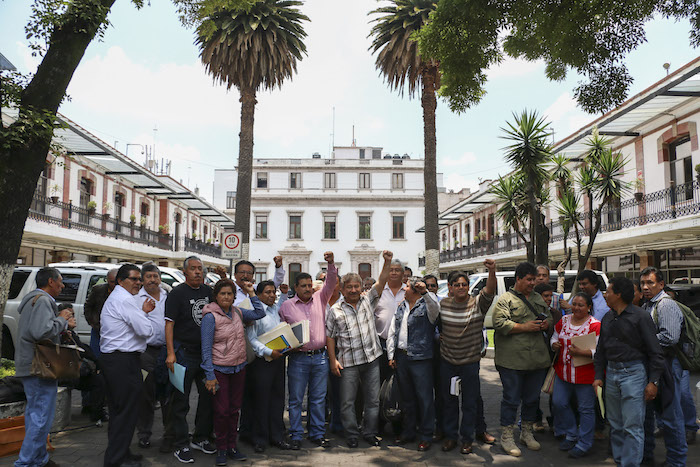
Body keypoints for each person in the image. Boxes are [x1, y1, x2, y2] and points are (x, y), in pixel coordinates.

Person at [594, 276, 664, 467]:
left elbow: (655, 352)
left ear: (618, 295)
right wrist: (598, 377)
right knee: (616, 425)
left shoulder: (640, 317)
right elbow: (601, 350)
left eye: (608, 291)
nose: (604, 295)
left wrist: (653, 382)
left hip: (634, 374)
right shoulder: (608, 317)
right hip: (612, 373)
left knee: (632, 427)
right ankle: (619, 461)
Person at [326, 251, 393, 448]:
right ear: (343, 289)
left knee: (372, 401)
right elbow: (330, 336)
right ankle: (352, 434)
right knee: (347, 402)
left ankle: (370, 432)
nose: (354, 290)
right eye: (349, 287)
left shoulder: (368, 300)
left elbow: (381, 281)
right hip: (348, 362)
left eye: (356, 286)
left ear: (361, 287)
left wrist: (387, 261)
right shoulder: (335, 310)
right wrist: (332, 360)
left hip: (372, 359)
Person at [14, 267, 76, 467]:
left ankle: (39, 460)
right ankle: (24, 463)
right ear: (51, 281)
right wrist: (62, 319)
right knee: (40, 418)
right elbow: (42, 333)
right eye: (60, 281)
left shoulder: (34, 300)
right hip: (39, 366)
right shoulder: (42, 301)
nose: (63, 285)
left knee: (36, 416)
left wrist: (61, 325)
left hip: (32, 365)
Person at [202, 278, 265, 465]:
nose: (226, 297)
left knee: (234, 410)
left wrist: (252, 292)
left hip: (239, 368)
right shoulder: (210, 317)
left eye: (230, 294)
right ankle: (221, 448)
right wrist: (209, 376)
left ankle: (232, 446)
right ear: (216, 296)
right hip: (219, 369)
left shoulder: (237, 312)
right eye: (223, 293)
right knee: (221, 411)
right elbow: (205, 349)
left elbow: (259, 313)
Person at [492, 261, 552, 457]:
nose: (533, 283)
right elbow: (499, 323)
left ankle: (527, 432)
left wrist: (545, 325)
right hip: (512, 361)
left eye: (534, 279)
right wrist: (524, 327)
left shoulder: (537, 298)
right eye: (529, 279)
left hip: (537, 360)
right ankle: (507, 436)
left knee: (532, 399)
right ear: (518, 279)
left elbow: (550, 318)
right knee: (511, 399)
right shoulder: (505, 299)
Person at [279, 252, 337, 450]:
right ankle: (296, 435)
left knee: (318, 398)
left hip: (320, 357)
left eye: (309, 285)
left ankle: (317, 434)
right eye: (302, 286)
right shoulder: (286, 307)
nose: (307, 289)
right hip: (298, 359)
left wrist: (330, 264)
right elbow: (281, 335)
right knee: (295, 399)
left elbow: (330, 282)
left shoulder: (320, 299)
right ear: (295, 288)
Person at [100, 264, 156, 467]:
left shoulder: (122, 299)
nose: (138, 283)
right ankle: (116, 460)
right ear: (121, 280)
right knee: (124, 411)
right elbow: (145, 331)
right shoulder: (124, 300)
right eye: (134, 279)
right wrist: (145, 314)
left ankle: (121, 452)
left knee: (121, 411)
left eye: (139, 279)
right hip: (122, 361)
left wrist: (141, 313)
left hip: (119, 360)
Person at [439, 260, 496, 455]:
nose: (461, 287)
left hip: (470, 364)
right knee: (449, 402)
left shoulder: (477, 304)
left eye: (464, 284)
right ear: (450, 288)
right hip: (447, 363)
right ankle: (450, 437)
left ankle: (467, 440)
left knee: (470, 403)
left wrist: (492, 271)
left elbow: (489, 291)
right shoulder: (443, 304)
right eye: (457, 285)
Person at [164, 256, 217, 463]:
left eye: (200, 269)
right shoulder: (177, 294)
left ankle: (201, 437)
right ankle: (181, 444)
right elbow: (169, 324)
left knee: (208, 397)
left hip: (205, 355)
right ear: (185, 272)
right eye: (193, 269)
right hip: (183, 354)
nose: (198, 272)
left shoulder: (208, 292)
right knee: (180, 401)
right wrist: (171, 353)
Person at [640, 267, 688, 467]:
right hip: (655, 364)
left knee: (670, 414)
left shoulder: (665, 305)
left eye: (650, 283)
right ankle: (647, 455)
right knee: (649, 414)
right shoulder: (647, 305)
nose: (645, 287)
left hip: (669, 365)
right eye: (643, 283)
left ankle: (677, 461)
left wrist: (642, 341)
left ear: (660, 284)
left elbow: (669, 337)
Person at [387, 277, 440, 451]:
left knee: (424, 399)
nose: (404, 289)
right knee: (407, 399)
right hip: (402, 358)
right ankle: (408, 432)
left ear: (416, 290)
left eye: (407, 287)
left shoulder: (426, 306)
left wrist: (425, 292)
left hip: (420, 359)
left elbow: (436, 309)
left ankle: (426, 435)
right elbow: (393, 331)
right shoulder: (402, 306)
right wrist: (391, 354)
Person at [550, 292, 601, 458]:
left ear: (589, 307)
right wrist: (554, 344)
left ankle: (584, 443)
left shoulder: (595, 325)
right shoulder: (564, 321)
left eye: (581, 305)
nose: (577, 308)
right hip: (563, 373)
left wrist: (583, 352)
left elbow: (600, 352)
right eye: (574, 304)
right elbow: (554, 337)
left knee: (585, 409)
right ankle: (571, 433)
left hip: (585, 375)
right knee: (559, 403)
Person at [245, 281, 291, 453]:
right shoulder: (255, 313)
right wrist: (268, 352)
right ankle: (259, 438)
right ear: (258, 295)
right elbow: (252, 339)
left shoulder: (274, 310)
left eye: (274, 292)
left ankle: (277, 436)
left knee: (277, 400)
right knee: (261, 401)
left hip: (278, 360)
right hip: (261, 362)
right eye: (268, 292)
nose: (272, 295)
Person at [135, 262, 168, 449]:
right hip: (145, 353)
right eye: (148, 276)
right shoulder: (136, 299)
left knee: (167, 394)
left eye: (155, 276)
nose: (152, 280)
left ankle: (169, 433)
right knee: (146, 395)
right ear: (142, 279)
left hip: (166, 351)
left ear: (160, 278)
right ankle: (144, 434)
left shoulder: (167, 296)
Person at [373, 258, 406, 435]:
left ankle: (398, 425)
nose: (393, 272)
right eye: (391, 269)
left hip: (401, 347)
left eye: (397, 270)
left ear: (403, 273)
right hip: (381, 345)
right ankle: (378, 425)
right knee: (379, 387)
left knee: (399, 387)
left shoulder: (408, 292)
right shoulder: (378, 292)